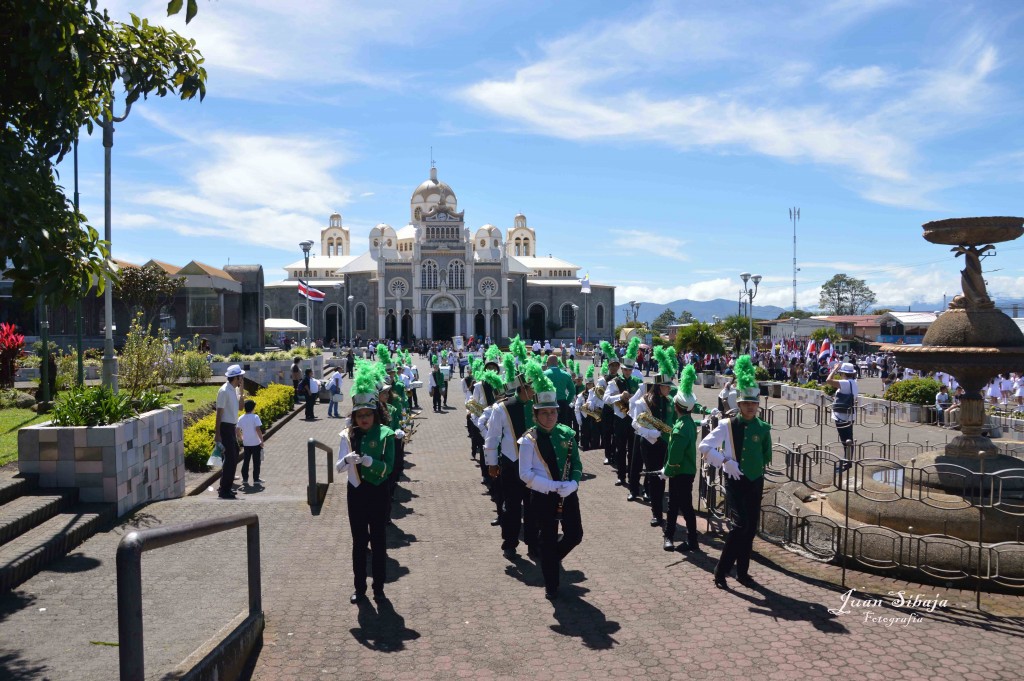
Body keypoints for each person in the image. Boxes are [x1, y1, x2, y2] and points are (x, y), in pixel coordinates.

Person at [699, 356, 771, 590]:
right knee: (740, 526)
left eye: (754, 404)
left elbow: (764, 454)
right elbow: (704, 447)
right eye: (746, 403)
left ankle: (742, 572)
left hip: (755, 481)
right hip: (735, 480)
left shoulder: (763, 427)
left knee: (750, 528)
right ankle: (721, 569)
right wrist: (724, 462)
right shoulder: (727, 425)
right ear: (738, 405)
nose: (750, 407)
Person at [518, 372, 583, 600]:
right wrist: (552, 486)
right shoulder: (529, 439)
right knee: (547, 537)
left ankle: (551, 559)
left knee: (575, 534)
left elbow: (576, 463)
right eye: (544, 413)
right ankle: (551, 584)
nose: (550, 416)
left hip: (567, 494)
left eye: (553, 411)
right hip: (543, 497)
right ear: (535, 415)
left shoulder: (567, 434)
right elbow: (525, 474)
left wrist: (573, 483)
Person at [336, 368, 395, 604]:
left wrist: (372, 462)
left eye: (367, 414)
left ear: (375, 414)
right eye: (359, 415)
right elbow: (339, 468)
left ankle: (378, 586)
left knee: (378, 540)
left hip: (379, 491)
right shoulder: (348, 435)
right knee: (359, 541)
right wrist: (346, 460)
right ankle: (359, 588)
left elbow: (389, 467)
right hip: (357, 492)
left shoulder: (386, 434)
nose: (363, 419)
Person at [661, 365, 717, 551]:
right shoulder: (688, 423)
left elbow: (675, 457)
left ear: (675, 406)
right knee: (682, 506)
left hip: (679, 472)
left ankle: (678, 538)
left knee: (677, 507)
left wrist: (666, 471)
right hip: (688, 471)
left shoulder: (679, 429)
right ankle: (688, 540)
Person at [485, 369, 536, 560]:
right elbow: (492, 437)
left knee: (533, 508)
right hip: (510, 463)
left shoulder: (537, 404)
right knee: (512, 507)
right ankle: (510, 544)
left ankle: (533, 543)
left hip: (533, 464)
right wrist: (491, 463)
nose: (534, 391)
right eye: (532, 388)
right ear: (523, 387)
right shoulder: (502, 408)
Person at [214, 365, 245, 499]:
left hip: (231, 427)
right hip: (225, 427)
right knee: (230, 458)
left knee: (233, 456)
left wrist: (242, 391)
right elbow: (219, 413)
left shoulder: (233, 390)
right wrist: (217, 433)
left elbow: (240, 408)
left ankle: (226, 487)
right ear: (236, 377)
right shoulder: (224, 390)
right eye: (240, 377)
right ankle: (224, 489)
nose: (241, 379)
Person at [825, 362, 858, 457]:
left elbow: (828, 380)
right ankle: (848, 459)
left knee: (845, 439)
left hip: (842, 415)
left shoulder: (845, 383)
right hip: (849, 413)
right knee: (848, 438)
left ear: (843, 373)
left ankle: (847, 460)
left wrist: (834, 370)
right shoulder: (853, 382)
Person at [236, 399, 264, 487]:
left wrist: (241, 438)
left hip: (246, 443)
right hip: (255, 443)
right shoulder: (255, 417)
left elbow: (237, 430)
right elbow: (258, 429)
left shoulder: (241, 418)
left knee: (246, 461)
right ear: (253, 408)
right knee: (256, 462)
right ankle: (256, 479)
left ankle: (245, 479)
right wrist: (261, 440)